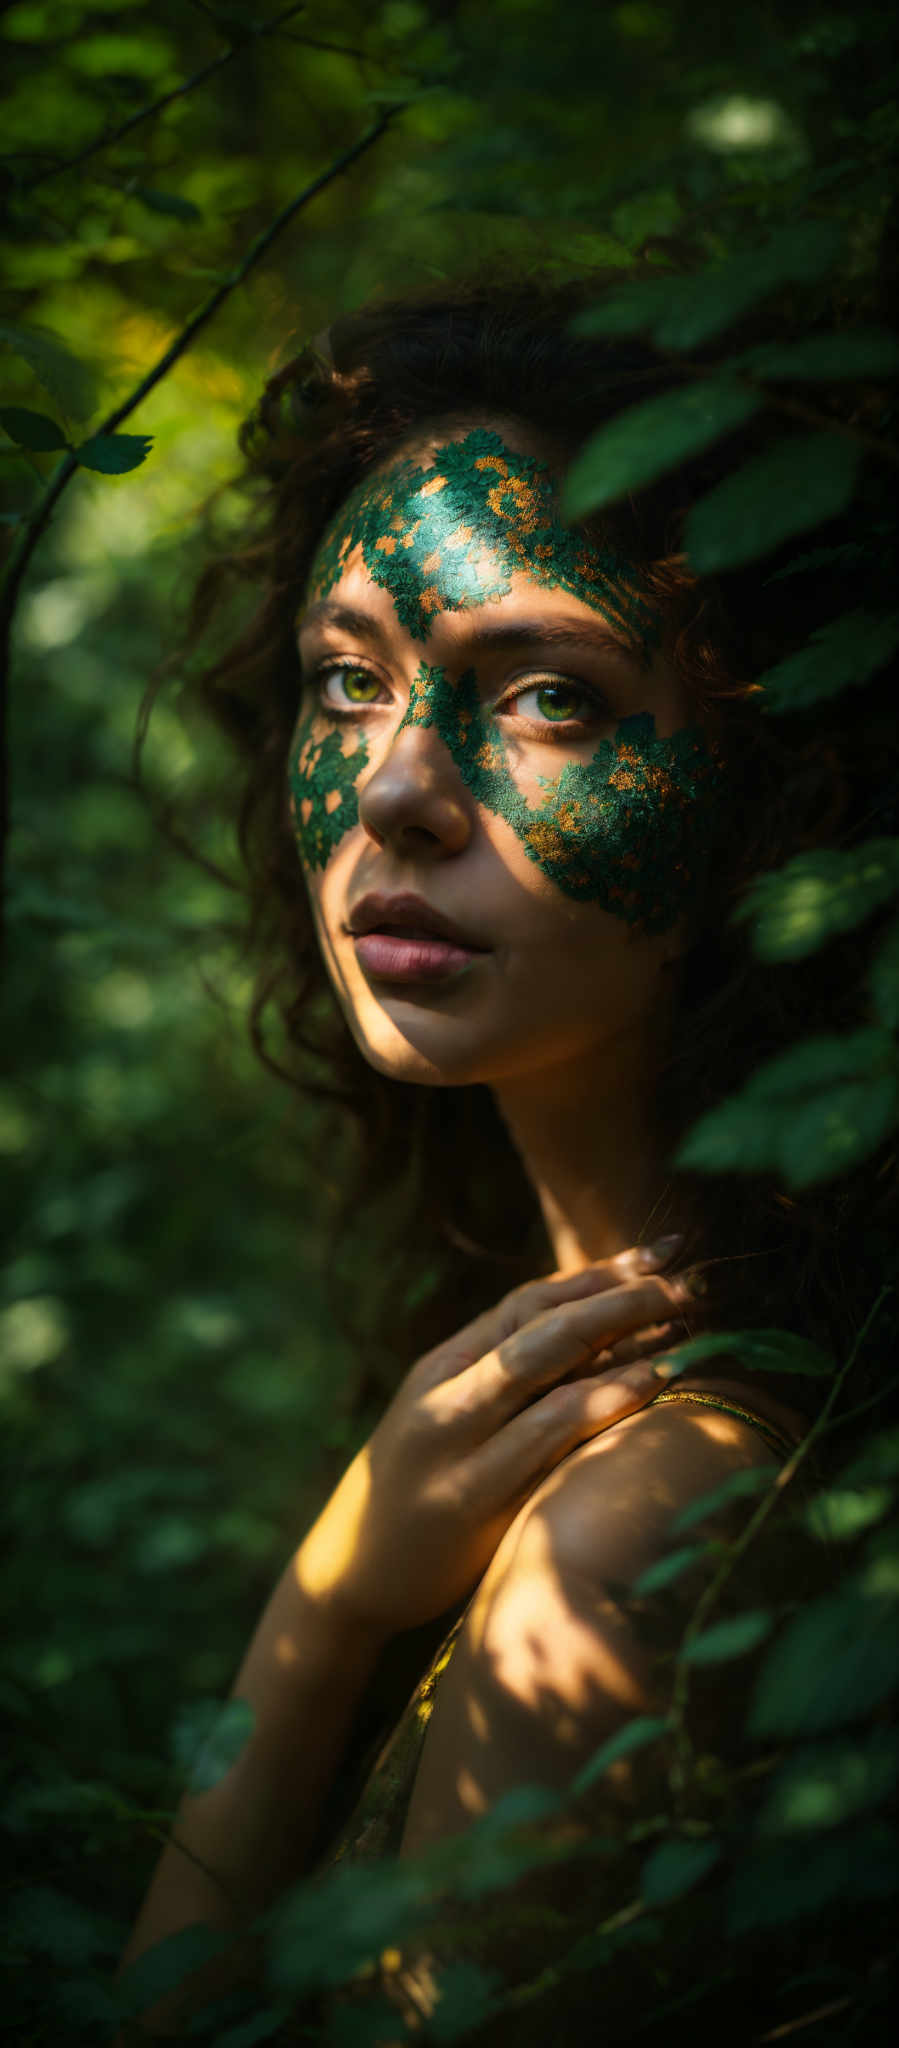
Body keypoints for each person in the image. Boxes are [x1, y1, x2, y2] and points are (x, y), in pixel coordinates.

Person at [119, 280, 876, 2035]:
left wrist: (312, 1632)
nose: (394, 790)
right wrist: (341, 1589)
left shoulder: (635, 1517)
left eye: (545, 694)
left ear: (781, 789)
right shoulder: (569, 1391)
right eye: (347, 680)